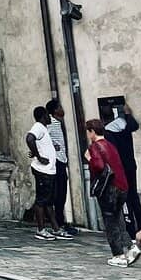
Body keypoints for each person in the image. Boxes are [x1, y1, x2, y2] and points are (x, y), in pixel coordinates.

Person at [85, 119, 140, 268]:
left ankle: (118, 255)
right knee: (118, 218)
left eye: (88, 131)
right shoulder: (110, 145)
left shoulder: (95, 147)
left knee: (110, 222)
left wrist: (89, 159)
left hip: (109, 189)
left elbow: (98, 165)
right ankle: (130, 247)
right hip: (122, 187)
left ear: (92, 132)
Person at [103, 102, 141, 238]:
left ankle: (131, 230)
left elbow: (112, 153)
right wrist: (128, 114)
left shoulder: (108, 131)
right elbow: (134, 125)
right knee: (134, 197)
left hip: (121, 169)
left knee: (126, 200)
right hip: (130, 165)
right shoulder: (124, 125)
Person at [26, 107, 64, 240]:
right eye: (48, 115)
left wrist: (50, 149)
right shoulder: (38, 127)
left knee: (48, 201)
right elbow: (29, 138)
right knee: (41, 200)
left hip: (49, 170)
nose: (49, 118)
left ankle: (56, 229)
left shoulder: (43, 129)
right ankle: (41, 230)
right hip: (43, 170)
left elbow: (38, 144)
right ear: (43, 116)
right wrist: (39, 156)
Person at [44, 97, 76, 238]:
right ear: (56, 110)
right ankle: (58, 223)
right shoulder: (51, 124)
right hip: (56, 161)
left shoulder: (59, 123)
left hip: (62, 160)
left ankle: (60, 221)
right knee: (58, 193)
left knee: (62, 193)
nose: (62, 109)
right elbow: (42, 138)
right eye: (60, 107)